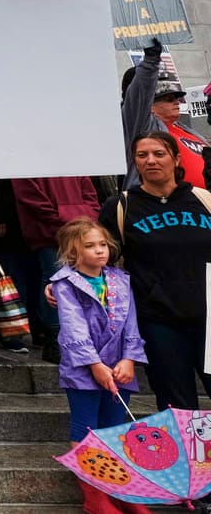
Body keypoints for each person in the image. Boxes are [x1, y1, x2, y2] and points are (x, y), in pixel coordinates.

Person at [98, 131, 211, 411]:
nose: (151, 161)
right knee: (176, 402)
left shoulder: (204, 200)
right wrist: (63, 284)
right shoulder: (121, 207)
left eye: (159, 154)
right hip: (158, 319)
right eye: (142, 155)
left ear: (176, 158)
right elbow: (98, 257)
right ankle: (186, 455)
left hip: (210, 317)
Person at [49, 218, 151, 514]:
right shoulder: (65, 284)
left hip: (120, 366)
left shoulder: (121, 279)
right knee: (86, 426)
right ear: (72, 253)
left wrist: (129, 359)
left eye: (102, 244)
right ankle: (94, 495)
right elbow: (73, 328)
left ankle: (121, 491)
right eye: (89, 246)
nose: (99, 251)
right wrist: (94, 364)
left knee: (116, 428)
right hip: (83, 368)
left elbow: (131, 323)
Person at [12, 176, 100, 364]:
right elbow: (30, 197)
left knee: (81, 281)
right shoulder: (26, 159)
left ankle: (77, 337)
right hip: (50, 232)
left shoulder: (72, 158)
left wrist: (88, 216)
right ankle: (54, 339)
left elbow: (89, 191)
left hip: (80, 229)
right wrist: (70, 219)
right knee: (56, 281)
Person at [120, 38, 211, 189]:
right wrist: (151, 61)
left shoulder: (186, 130)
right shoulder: (145, 127)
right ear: (150, 106)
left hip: (199, 203)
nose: (177, 102)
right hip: (162, 203)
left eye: (177, 98)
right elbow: (139, 97)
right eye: (168, 99)